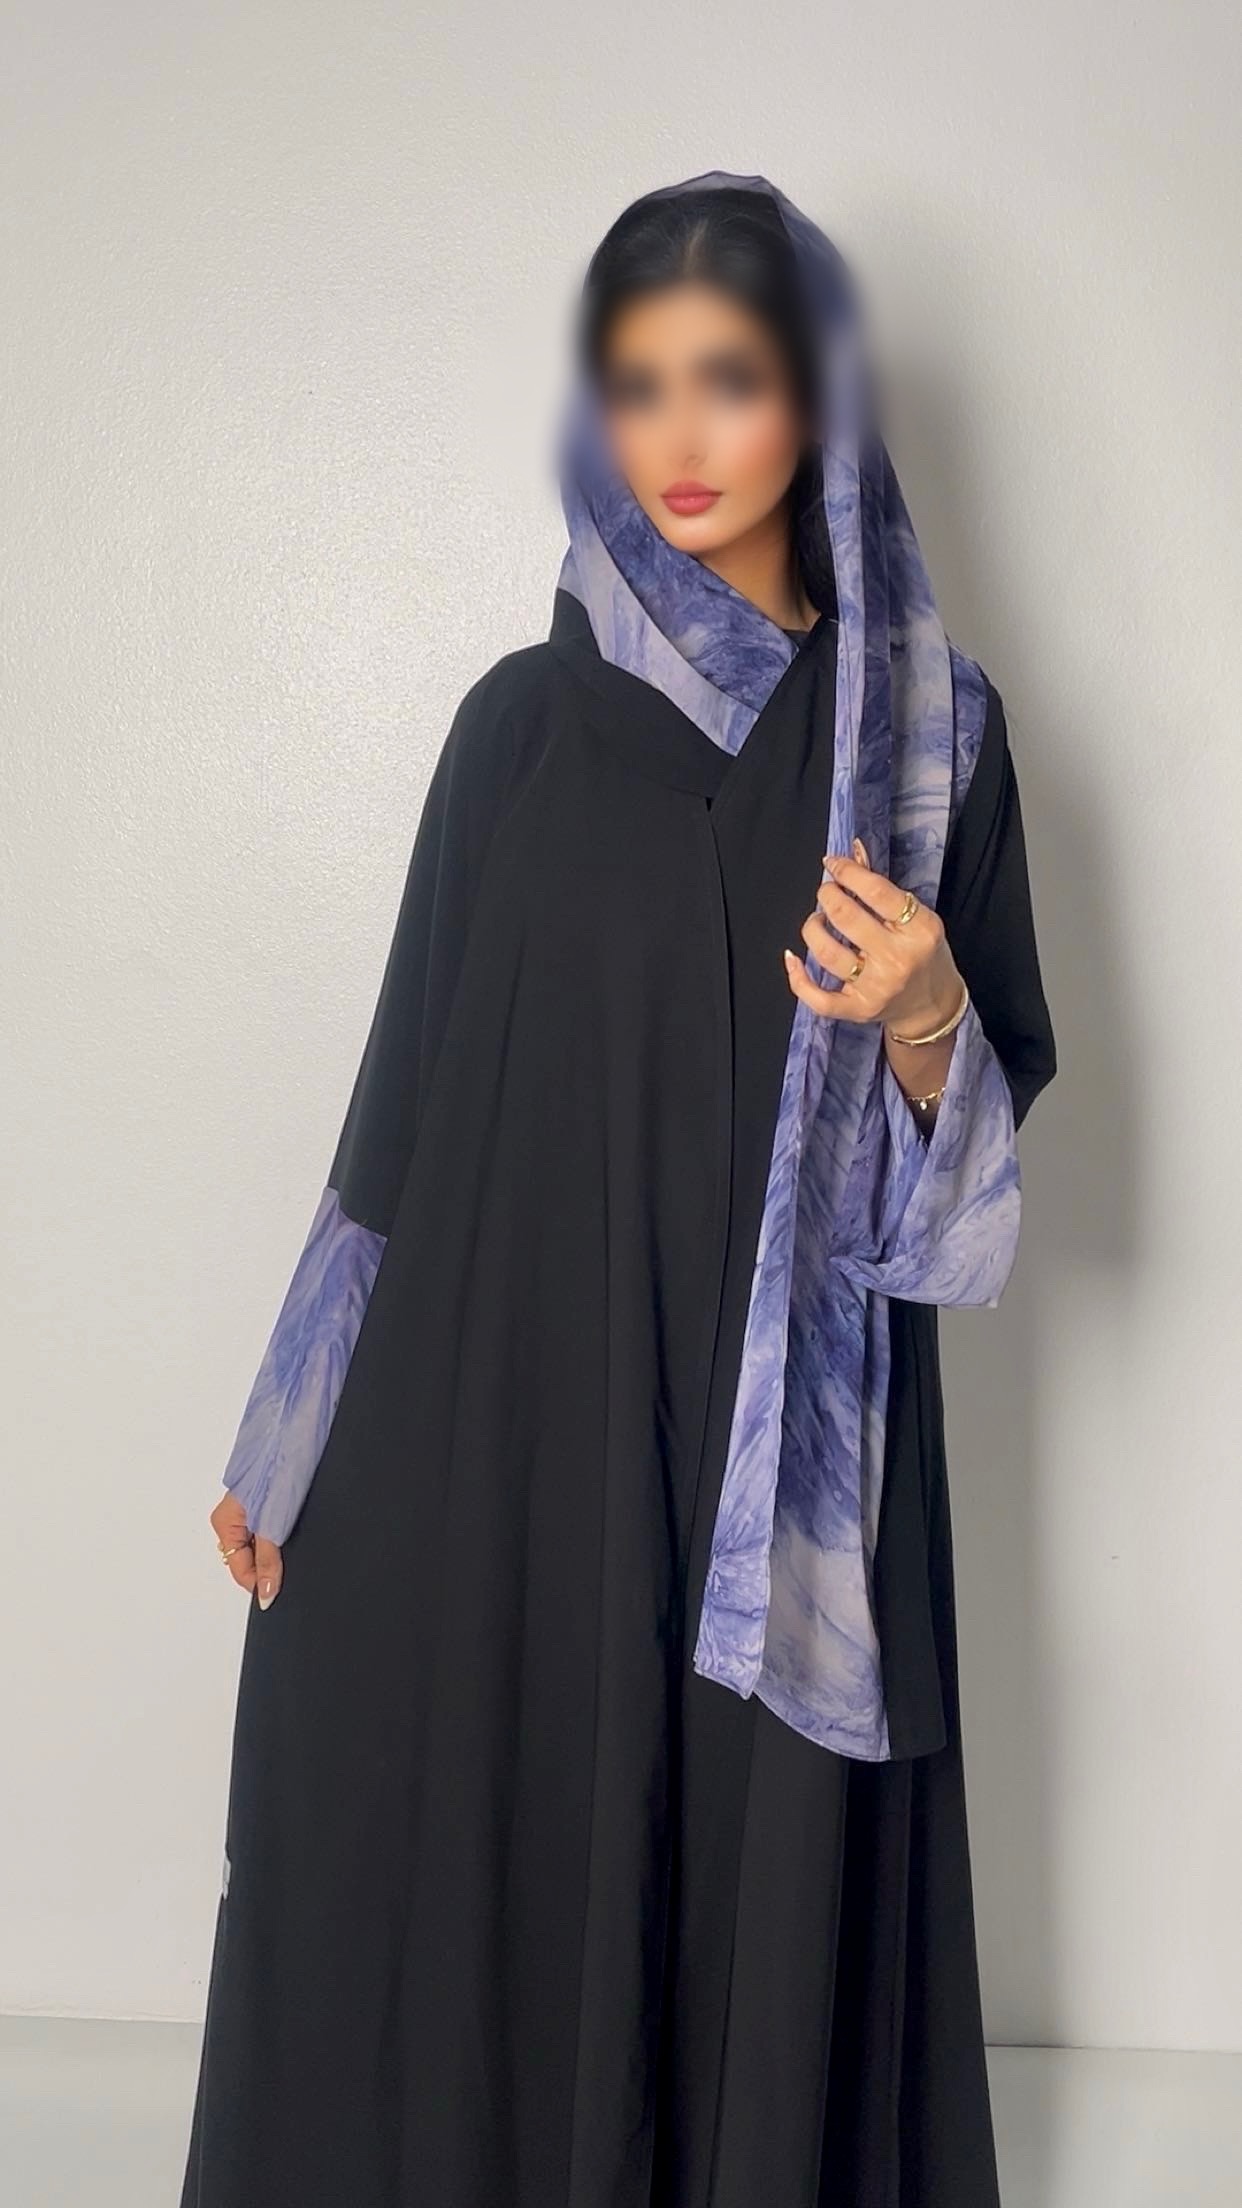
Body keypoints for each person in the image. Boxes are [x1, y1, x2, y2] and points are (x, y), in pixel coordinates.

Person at [180, 169, 1056, 2208]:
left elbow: (971, 1195)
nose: (679, 435)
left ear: (816, 399)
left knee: (754, 1879)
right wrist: (292, 1438)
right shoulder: (516, 730)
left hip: (786, 1493)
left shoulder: (931, 740)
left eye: (727, 379)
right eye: (637, 383)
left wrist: (925, 1009)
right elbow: (398, 1117)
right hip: (510, 1426)